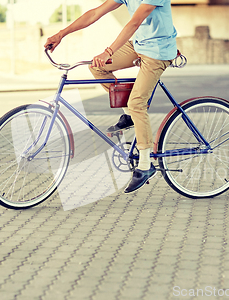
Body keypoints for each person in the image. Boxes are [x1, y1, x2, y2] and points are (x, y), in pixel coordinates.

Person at [44, 0, 177, 193]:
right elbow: (95, 13)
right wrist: (61, 34)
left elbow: (134, 22)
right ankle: (130, 115)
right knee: (97, 67)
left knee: (137, 103)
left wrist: (109, 51)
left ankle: (146, 164)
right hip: (139, 45)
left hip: (158, 51)